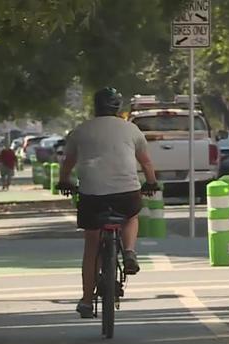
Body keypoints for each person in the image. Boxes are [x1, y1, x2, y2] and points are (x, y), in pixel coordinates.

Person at [57, 87, 158, 318]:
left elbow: (67, 163)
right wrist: (151, 183)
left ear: (96, 106)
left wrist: (64, 182)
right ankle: (130, 252)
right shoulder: (131, 129)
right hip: (126, 193)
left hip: (91, 194)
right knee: (131, 216)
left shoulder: (80, 131)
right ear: (118, 107)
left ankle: (85, 299)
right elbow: (147, 163)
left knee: (92, 245)